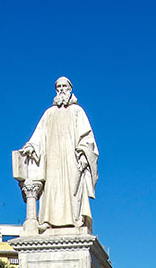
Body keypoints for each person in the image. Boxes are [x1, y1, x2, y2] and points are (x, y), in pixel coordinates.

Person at [18, 77, 99, 231]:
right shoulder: (49, 113)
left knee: (74, 190)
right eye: (58, 87)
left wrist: (83, 155)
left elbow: (87, 138)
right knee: (52, 188)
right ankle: (48, 220)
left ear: (70, 89)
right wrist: (31, 146)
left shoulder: (77, 111)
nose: (61, 89)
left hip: (72, 160)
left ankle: (76, 220)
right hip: (53, 160)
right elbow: (38, 136)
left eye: (64, 86)